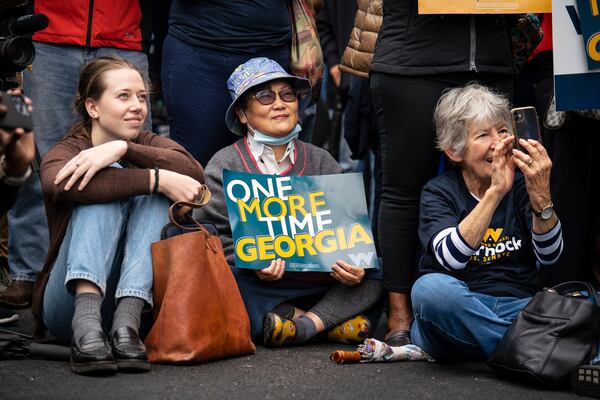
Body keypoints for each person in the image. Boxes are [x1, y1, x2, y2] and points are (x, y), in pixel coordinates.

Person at [194, 57, 383, 346]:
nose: (280, 104)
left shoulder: (322, 161)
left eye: (287, 94)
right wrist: (251, 261)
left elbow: (350, 233)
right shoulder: (224, 164)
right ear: (243, 115)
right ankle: (327, 322)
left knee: (378, 273)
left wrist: (356, 266)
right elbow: (210, 236)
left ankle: (303, 324)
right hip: (259, 283)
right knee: (219, 277)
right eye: (265, 96)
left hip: (320, 282)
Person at [34, 56, 204, 375]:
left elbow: (194, 173)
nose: (137, 106)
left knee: (157, 188)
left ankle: (126, 323)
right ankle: (86, 324)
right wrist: (154, 179)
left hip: (136, 313)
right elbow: (58, 182)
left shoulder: (145, 142)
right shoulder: (67, 150)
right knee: (114, 180)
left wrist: (126, 150)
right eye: (123, 96)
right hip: (66, 307)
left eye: (142, 97)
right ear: (93, 108)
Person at [368, 0, 514, 346]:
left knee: (504, 180)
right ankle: (399, 314)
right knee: (404, 189)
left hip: (492, 55)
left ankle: (486, 303)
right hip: (415, 60)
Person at [2, 0, 152, 309]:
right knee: (35, 157)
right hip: (49, 35)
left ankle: (131, 276)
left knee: (137, 155)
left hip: (122, 34)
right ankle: (29, 272)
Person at [410, 84, 563, 360]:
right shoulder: (439, 192)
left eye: (503, 130)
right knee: (429, 290)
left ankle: (507, 349)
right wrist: (495, 192)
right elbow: (451, 259)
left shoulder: (522, 185)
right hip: (457, 309)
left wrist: (541, 195)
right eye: (483, 135)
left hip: (517, 306)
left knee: (583, 301)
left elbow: (550, 256)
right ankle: (537, 352)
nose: (498, 142)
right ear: (455, 152)